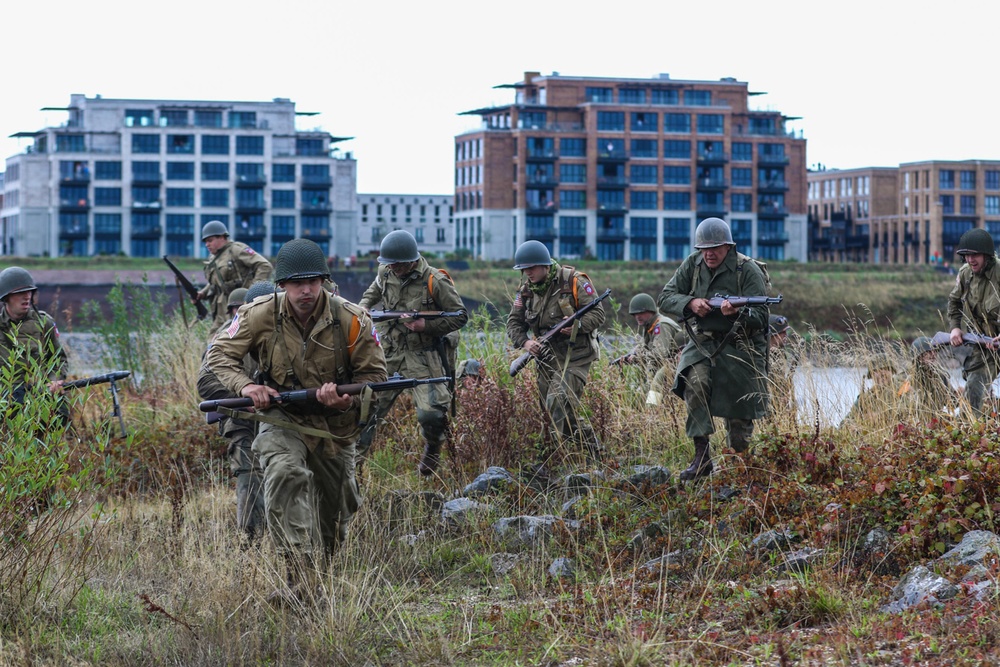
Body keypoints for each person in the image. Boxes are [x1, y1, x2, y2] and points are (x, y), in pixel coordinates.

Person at [205, 239, 386, 603]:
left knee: (336, 512)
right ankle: (299, 577)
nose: (306, 290)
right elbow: (218, 354)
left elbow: (377, 380)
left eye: (313, 281)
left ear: (324, 280)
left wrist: (343, 400)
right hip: (281, 417)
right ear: (282, 285)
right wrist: (247, 385)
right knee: (285, 474)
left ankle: (317, 575)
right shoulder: (258, 314)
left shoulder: (352, 319)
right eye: (297, 283)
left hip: (334, 426)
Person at [658, 217, 770, 480]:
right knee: (694, 384)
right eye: (704, 248)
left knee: (739, 410)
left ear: (728, 247)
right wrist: (691, 303)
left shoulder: (747, 270)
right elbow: (665, 297)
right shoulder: (692, 264)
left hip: (741, 344)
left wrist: (735, 315)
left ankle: (739, 465)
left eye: (715, 248)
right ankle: (701, 456)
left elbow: (762, 316)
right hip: (703, 341)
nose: (709, 253)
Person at [357, 230, 468, 476]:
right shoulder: (385, 271)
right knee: (366, 408)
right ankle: (352, 467)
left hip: (423, 354)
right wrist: (363, 307)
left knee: (431, 413)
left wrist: (425, 326)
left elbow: (460, 316)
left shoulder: (435, 280)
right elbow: (373, 292)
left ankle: (433, 444)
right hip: (390, 352)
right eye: (389, 264)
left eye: (396, 264)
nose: (392, 268)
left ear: (409, 261)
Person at [506, 240, 606, 461]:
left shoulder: (574, 281)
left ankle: (593, 452)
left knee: (557, 402)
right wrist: (525, 343)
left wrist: (576, 326)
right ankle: (564, 458)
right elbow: (513, 323)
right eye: (524, 269)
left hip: (576, 356)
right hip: (546, 359)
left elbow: (598, 314)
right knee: (550, 414)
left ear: (545, 265)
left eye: (531, 268)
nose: (527, 273)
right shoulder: (526, 292)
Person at [197, 286, 266, 542]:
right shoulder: (226, 336)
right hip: (242, 418)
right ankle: (250, 541)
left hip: (282, 417)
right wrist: (242, 397)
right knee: (249, 473)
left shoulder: (287, 331)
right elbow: (205, 382)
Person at [0, 266, 68, 419]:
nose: (27, 297)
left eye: (29, 292)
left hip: (41, 399)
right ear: (6, 297)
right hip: (6, 403)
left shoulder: (44, 322)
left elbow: (58, 358)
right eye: (20, 293)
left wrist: (55, 380)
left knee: (59, 414)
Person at [947, 227, 1000, 419]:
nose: (970, 260)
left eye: (974, 255)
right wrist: (955, 328)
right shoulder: (965, 274)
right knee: (974, 386)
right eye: (966, 255)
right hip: (982, 344)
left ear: (986, 254)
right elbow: (954, 301)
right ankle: (971, 432)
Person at [195, 220, 273, 338]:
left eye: (210, 240)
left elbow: (264, 266)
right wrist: (203, 293)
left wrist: (252, 293)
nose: (207, 244)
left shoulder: (236, 250)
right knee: (213, 342)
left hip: (239, 307)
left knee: (237, 341)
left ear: (221, 237)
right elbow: (215, 282)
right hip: (221, 310)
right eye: (205, 241)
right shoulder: (213, 258)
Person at [619, 293, 684, 406]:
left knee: (654, 387)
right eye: (635, 314)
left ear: (651, 311)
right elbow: (647, 348)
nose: (637, 316)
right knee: (639, 395)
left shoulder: (661, 325)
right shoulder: (650, 326)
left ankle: (652, 410)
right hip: (668, 365)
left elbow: (660, 355)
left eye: (641, 313)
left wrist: (637, 357)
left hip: (675, 364)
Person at [901, 336, 954, 419]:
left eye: (935, 351)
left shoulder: (940, 375)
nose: (933, 354)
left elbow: (952, 402)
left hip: (936, 420)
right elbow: (902, 404)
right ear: (919, 356)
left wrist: (962, 394)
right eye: (928, 352)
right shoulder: (907, 377)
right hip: (914, 421)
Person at [766, 314, 799, 426]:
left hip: (778, 410)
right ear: (771, 334)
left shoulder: (779, 353)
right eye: (782, 333)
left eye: (786, 332)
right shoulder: (759, 357)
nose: (786, 336)